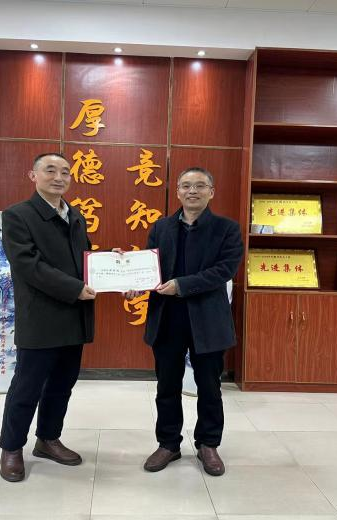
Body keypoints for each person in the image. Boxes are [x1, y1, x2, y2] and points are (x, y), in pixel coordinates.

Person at [126, 166, 244, 477]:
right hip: (168, 318)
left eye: (200, 186)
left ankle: (208, 444)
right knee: (167, 386)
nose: (193, 191)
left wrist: (182, 285)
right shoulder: (161, 227)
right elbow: (149, 267)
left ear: (211, 192)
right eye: (186, 186)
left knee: (209, 387)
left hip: (208, 319)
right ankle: (168, 444)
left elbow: (224, 270)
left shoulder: (227, 229)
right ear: (177, 192)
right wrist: (133, 279)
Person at [0, 152, 96, 482]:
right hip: (40, 316)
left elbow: (84, 259)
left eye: (65, 172)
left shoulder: (75, 215)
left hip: (73, 315)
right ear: (33, 176)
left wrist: (114, 267)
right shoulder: (17, 215)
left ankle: (48, 439)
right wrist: (75, 288)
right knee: (27, 386)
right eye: (50, 170)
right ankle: (12, 447)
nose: (59, 177)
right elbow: (28, 265)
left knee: (61, 385)